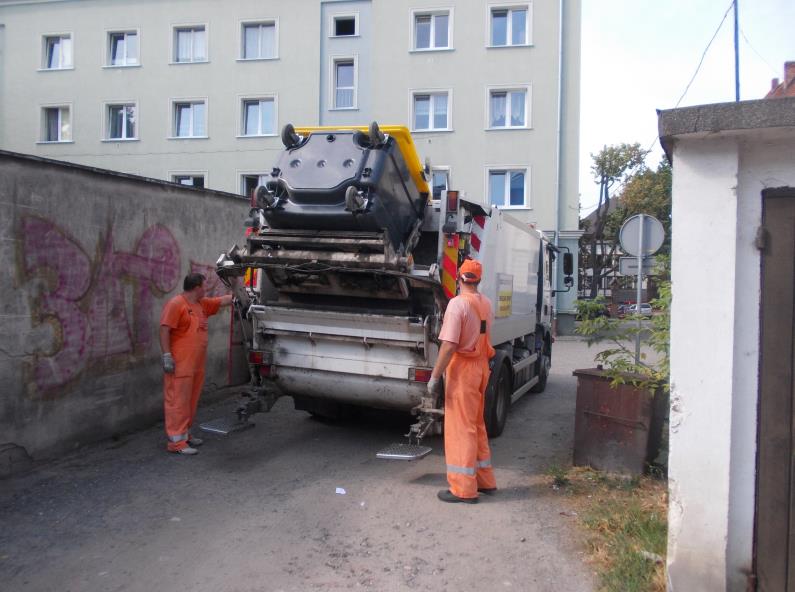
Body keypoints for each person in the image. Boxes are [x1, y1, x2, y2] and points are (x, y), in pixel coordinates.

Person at [427, 258, 498, 503]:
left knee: (461, 428)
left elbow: (448, 346)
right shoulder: (486, 304)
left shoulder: (457, 305)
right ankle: (485, 480)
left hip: (463, 370)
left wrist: (435, 376)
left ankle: (463, 489)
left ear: (459, 278)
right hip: (481, 368)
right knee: (476, 424)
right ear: (478, 279)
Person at [159, 273, 233, 455]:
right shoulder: (177, 304)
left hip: (195, 365)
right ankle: (176, 442)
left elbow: (222, 301)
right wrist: (167, 355)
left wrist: (241, 291)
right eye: (204, 286)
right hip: (181, 364)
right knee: (178, 402)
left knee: (190, 401)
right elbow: (164, 329)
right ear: (197, 287)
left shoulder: (201, 304)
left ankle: (185, 435)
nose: (206, 289)